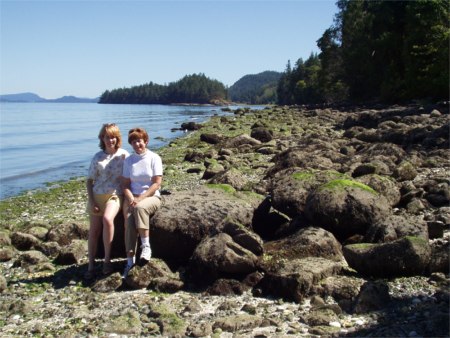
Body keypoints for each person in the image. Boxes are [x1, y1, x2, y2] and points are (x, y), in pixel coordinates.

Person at [85, 123, 129, 279]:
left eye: (113, 137)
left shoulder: (124, 155)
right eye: (107, 137)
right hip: (97, 195)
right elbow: (89, 181)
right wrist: (92, 201)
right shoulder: (97, 157)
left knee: (107, 219)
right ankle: (90, 265)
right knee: (94, 231)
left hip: (114, 195)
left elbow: (132, 173)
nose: (110, 140)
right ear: (102, 138)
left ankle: (107, 260)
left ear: (117, 139)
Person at [121, 127, 163, 278]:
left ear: (145, 141)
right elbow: (125, 184)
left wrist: (141, 198)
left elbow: (156, 184)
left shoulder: (154, 158)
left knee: (139, 209)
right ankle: (129, 262)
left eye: (139, 140)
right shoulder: (129, 161)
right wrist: (131, 198)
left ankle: (146, 246)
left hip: (152, 197)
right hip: (134, 198)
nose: (137, 144)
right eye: (133, 141)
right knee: (130, 224)